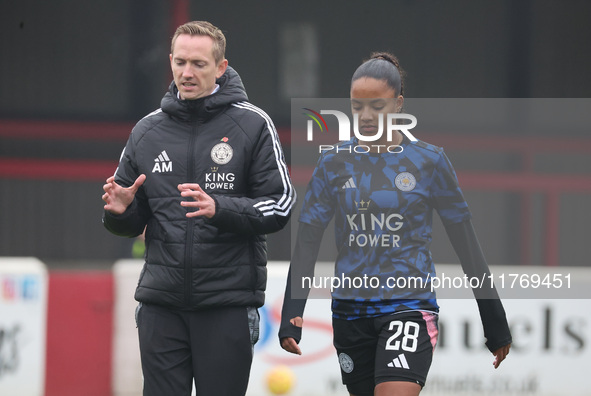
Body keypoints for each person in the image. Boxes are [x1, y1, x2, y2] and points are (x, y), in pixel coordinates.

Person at [279, 52, 511, 396]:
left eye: (377, 105)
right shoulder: (332, 162)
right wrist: (291, 315)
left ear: (399, 104)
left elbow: (467, 245)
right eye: (358, 107)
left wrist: (494, 321)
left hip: (408, 306)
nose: (367, 116)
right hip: (349, 312)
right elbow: (307, 243)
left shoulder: (430, 161)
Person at [102, 20, 295, 396]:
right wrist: (120, 211)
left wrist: (219, 208)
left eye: (199, 64)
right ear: (171, 62)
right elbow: (126, 221)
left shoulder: (253, 125)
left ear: (221, 68)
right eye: (180, 62)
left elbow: (281, 205)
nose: (186, 73)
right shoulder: (146, 131)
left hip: (227, 304)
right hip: (161, 304)